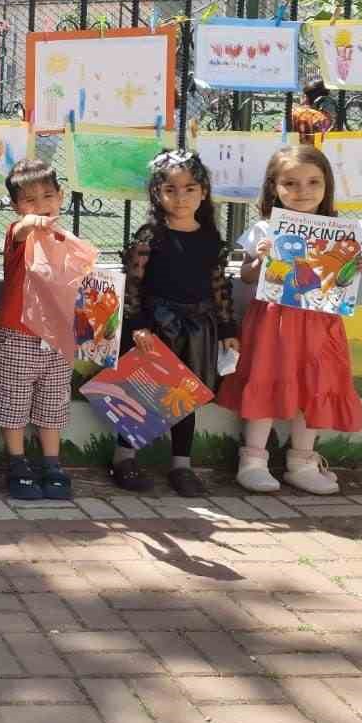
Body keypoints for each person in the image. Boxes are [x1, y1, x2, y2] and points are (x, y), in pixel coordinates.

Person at [219, 144, 362, 495]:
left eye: (314, 182)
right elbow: (248, 278)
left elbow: (340, 281)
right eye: (291, 183)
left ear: (327, 185)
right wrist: (260, 260)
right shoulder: (265, 228)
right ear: (275, 187)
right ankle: (252, 461)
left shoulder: (339, 233)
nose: (303, 192)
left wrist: (356, 266)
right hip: (274, 323)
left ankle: (302, 461)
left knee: (314, 386)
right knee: (268, 380)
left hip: (321, 324)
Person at [111, 150, 238, 498]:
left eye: (190, 188)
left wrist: (227, 329)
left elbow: (218, 285)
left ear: (204, 191)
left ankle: (181, 464)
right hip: (155, 328)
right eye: (170, 189)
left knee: (185, 396)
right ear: (157, 193)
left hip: (197, 328)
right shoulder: (150, 236)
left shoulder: (210, 237)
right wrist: (137, 324)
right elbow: (132, 284)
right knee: (142, 394)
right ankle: (124, 458)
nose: (180, 197)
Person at [0, 159, 74, 502]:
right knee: (14, 401)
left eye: (48, 196)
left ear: (61, 196)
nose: (42, 206)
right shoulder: (18, 234)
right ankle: (17, 461)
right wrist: (30, 222)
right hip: (18, 334)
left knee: (53, 404)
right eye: (30, 200)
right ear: (15, 207)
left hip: (57, 339)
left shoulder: (67, 240)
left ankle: (52, 463)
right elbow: (22, 230)